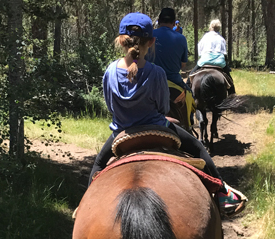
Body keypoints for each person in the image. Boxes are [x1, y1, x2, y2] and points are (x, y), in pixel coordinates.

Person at [89, 12, 246, 214]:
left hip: (122, 132)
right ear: (152, 41)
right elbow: (163, 108)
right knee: (198, 148)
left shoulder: (110, 70)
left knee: (98, 164)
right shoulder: (156, 73)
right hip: (158, 128)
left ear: (120, 41)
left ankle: (87, 205)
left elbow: (110, 106)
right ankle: (223, 192)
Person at [192, 19, 234, 93]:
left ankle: (187, 92)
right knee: (230, 81)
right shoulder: (221, 39)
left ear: (210, 27)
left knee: (190, 76)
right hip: (219, 62)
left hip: (205, 61)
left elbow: (200, 51)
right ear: (219, 28)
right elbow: (224, 53)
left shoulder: (205, 37)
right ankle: (233, 95)